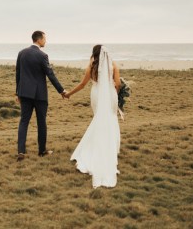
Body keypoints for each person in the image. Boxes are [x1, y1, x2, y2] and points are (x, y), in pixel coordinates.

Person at [66, 44, 121, 188]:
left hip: (96, 94)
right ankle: (110, 148)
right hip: (111, 96)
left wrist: (69, 94)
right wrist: (114, 93)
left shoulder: (91, 66)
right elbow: (118, 83)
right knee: (111, 119)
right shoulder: (113, 65)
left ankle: (97, 146)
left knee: (98, 119)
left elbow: (83, 84)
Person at [16, 31, 67, 161]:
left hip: (24, 93)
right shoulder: (42, 55)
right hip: (39, 95)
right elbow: (50, 75)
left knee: (23, 121)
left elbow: (18, 74)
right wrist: (61, 91)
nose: (45, 41)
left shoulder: (21, 53)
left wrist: (18, 93)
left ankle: (21, 151)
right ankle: (42, 151)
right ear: (39, 40)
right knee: (41, 123)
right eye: (44, 39)